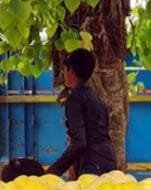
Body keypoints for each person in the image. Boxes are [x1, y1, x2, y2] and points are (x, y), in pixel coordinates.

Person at [46, 49, 117, 177]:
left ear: (71, 70)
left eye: (65, 69)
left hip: (93, 164)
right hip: (108, 159)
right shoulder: (95, 98)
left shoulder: (75, 98)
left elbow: (79, 142)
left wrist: (53, 171)